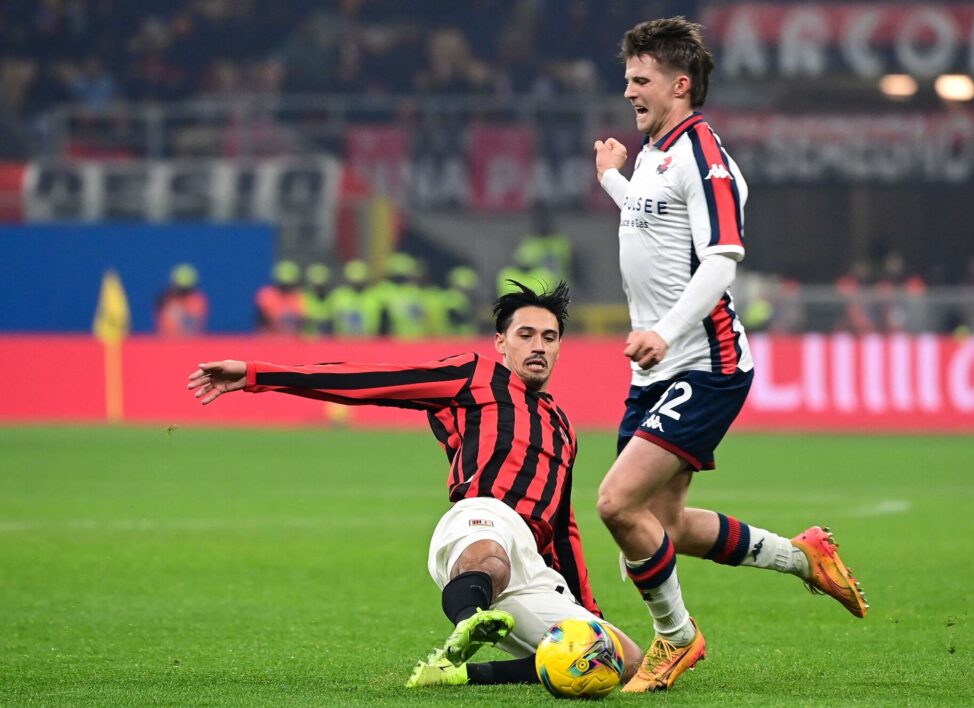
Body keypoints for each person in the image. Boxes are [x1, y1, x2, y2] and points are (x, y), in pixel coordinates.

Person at [593, 17, 868, 693]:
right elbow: (654, 225)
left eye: (640, 79)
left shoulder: (703, 154)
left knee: (615, 505)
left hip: (704, 364)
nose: (628, 90)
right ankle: (806, 558)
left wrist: (665, 330)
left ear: (680, 85)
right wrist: (612, 181)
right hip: (656, 370)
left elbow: (721, 259)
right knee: (664, 527)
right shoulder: (657, 154)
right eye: (627, 77)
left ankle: (676, 641)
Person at [187, 281, 643, 688]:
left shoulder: (563, 426)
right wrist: (255, 375)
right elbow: (374, 381)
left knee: (622, 659)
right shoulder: (474, 375)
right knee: (491, 557)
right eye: (525, 335)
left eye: (549, 337)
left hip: (531, 561)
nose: (538, 345)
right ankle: (468, 622)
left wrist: (590, 615)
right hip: (480, 517)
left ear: (561, 346)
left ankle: (456, 673)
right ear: (501, 342)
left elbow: (563, 528)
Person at [155, 263, 208, 337]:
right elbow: (164, 326)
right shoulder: (165, 301)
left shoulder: (197, 301)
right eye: (180, 290)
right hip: (168, 343)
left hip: (192, 343)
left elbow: (195, 326)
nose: (183, 294)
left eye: (186, 290)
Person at [255, 260, 306, 335]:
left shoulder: (299, 296)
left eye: (288, 285)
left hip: (292, 340)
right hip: (268, 338)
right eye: (283, 284)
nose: (285, 288)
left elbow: (302, 321)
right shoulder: (266, 295)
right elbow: (262, 321)